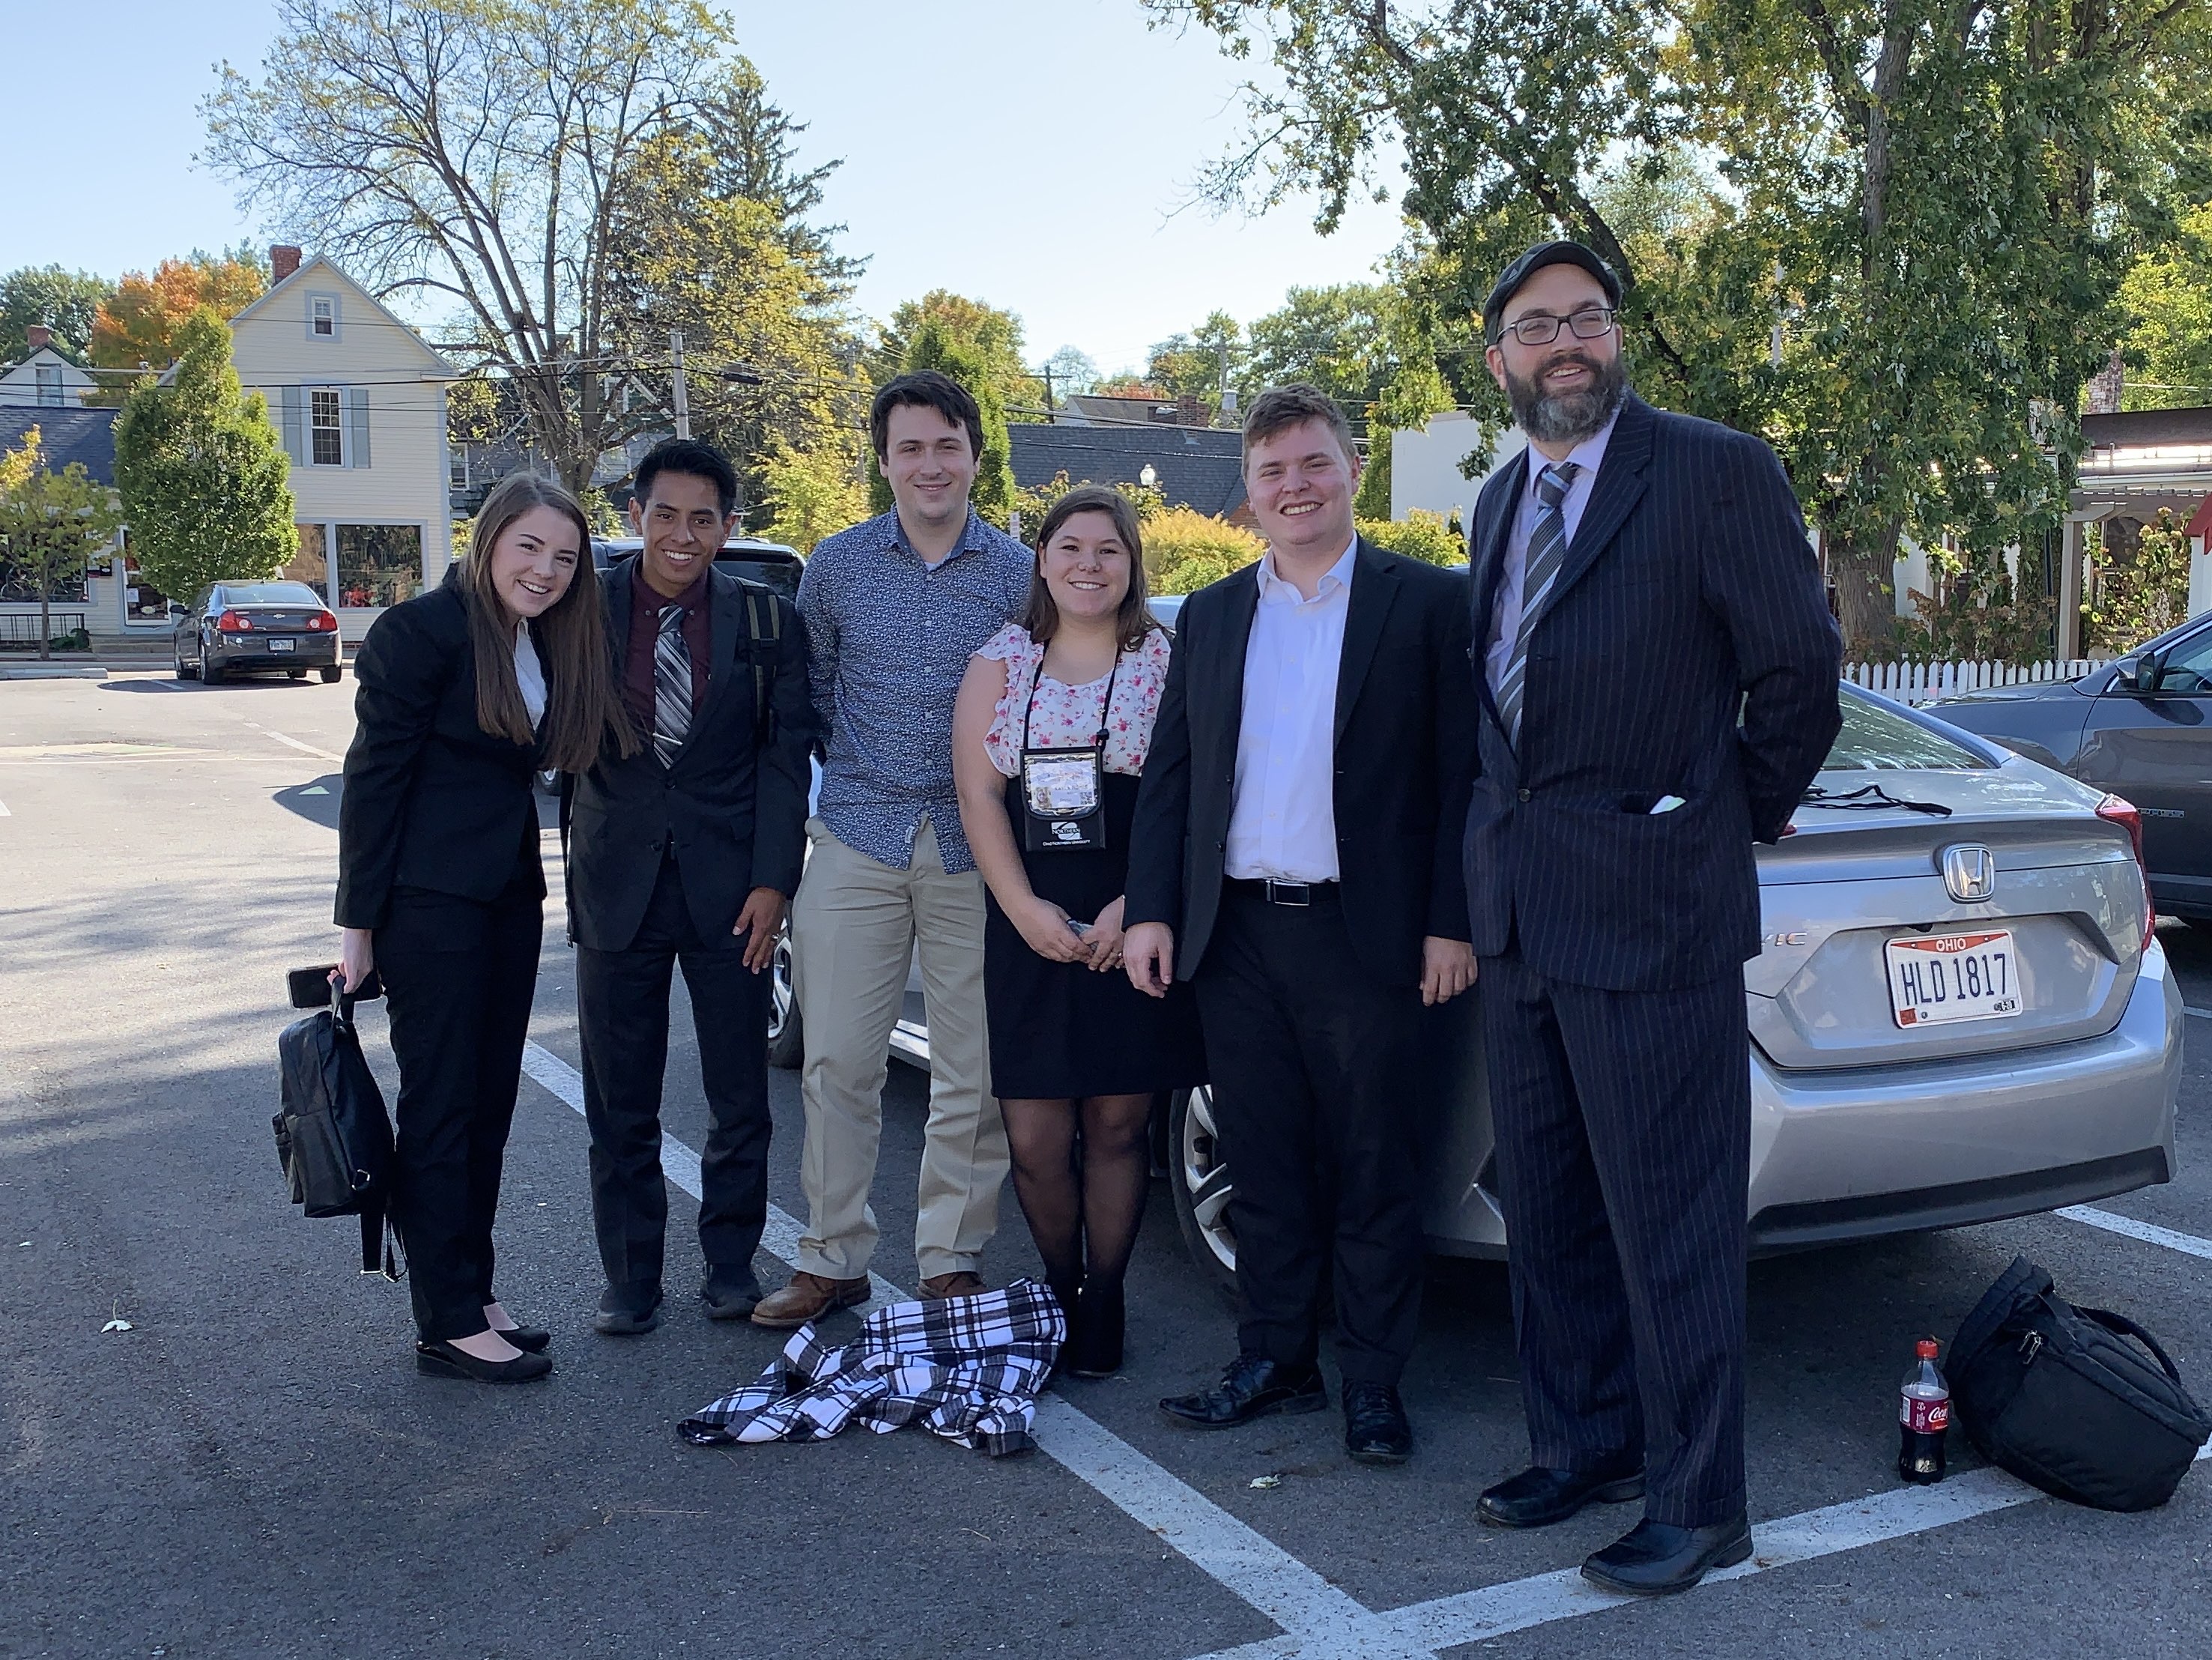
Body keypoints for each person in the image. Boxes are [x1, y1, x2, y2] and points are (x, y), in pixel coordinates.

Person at [1461, 241, 1841, 1593]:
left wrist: (1715, 814)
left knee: (1669, 1218)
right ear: (1495, 354)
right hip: (1518, 911)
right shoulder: (1499, 498)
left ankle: (1700, 1498)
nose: (1560, 343)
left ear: (1614, 337)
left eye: (1583, 319)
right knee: (1548, 1209)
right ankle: (1583, 1443)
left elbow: (1797, 671)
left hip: (1652, 910)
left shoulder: (1711, 467)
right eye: (1531, 326)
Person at [1124, 384, 1478, 1464]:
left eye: (1312, 465)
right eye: (1272, 472)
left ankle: (1372, 1382)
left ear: (1350, 471)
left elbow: (1463, 779)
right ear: (1248, 490)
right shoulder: (1218, 613)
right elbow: (1173, 775)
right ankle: (1274, 1358)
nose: (1293, 487)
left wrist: (1449, 923)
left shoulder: (1426, 604)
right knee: (1265, 1162)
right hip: (1234, 937)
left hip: (1366, 937)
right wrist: (1151, 912)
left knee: (1376, 1165)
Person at [333, 472, 631, 1384]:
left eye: (564, 558)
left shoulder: (537, 640)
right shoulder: (417, 633)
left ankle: (476, 1290)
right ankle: (445, 1320)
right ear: (491, 539)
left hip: (505, 900)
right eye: (529, 547)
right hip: (427, 908)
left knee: (488, 1110)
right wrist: (358, 928)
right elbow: (372, 783)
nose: (544, 570)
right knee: (442, 1108)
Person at [752, 371, 1032, 1329]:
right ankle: (831, 1256)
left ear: (973, 456)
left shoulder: (1017, 572)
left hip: (976, 846)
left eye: (945, 445)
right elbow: (815, 689)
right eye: (909, 447)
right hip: (859, 835)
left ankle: (950, 1255)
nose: (928, 464)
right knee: (836, 1060)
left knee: (974, 1065)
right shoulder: (834, 565)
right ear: (883, 459)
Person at [951, 485, 1205, 1378]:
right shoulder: (1001, 660)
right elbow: (979, 795)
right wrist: (1022, 909)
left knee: (1116, 1124)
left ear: (1133, 563)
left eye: (1108, 548)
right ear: (1043, 558)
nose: (1088, 564)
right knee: (1033, 1132)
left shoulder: (1164, 659)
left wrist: (1136, 904)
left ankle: (1107, 1298)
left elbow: (1187, 797)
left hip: (1129, 915)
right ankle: (1058, 1286)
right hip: (1027, 914)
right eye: (1070, 546)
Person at [568, 438, 813, 1336]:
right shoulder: (577, 610)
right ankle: (630, 1276)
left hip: (731, 894)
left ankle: (729, 1263)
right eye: (664, 514)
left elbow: (786, 762)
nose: (682, 533)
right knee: (618, 1098)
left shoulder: (763, 621)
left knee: (739, 1095)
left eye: (702, 518)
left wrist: (773, 882)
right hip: (614, 882)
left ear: (727, 526)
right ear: (634, 515)